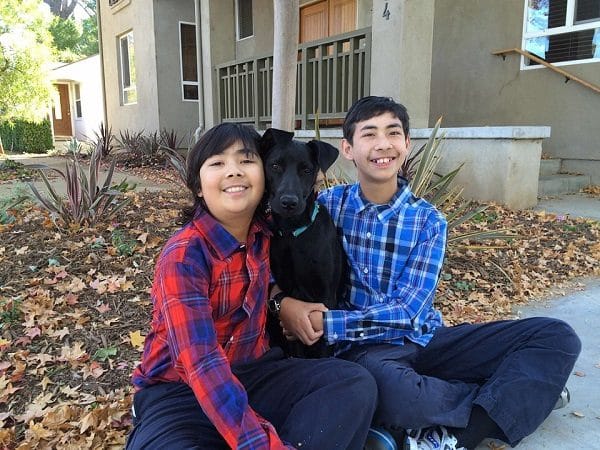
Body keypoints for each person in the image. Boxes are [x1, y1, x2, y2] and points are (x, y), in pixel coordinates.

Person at [277, 96, 582, 450]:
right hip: (364, 352)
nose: (382, 144)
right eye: (369, 134)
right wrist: (280, 302)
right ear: (348, 148)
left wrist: (325, 323)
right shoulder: (328, 207)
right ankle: (505, 401)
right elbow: (268, 251)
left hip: (425, 338)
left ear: (407, 144)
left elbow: (409, 311)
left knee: (557, 337)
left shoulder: (428, 221)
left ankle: (442, 424)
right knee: (390, 389)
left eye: (393, 132)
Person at [126, 122, 378, 450]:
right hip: (180, 392)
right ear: (199, 187)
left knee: (354, 383)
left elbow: (271, 280)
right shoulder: (185, 256)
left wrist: (280, 301)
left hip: (256, 374)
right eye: (217, 163)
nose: (233, 171)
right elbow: (201, 364)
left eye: (245, 160)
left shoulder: (264, 234)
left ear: (262, 179)